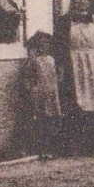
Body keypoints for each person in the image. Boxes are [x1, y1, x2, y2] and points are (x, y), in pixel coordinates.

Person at [61, 0, 94, 154]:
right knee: (75, 100)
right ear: (74, 0)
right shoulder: (66, 21)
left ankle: (92, 144)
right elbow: (60, 45)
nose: (82, 1)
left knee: (93, 100)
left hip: (92, 61)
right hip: (74, 61)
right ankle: (74, 144)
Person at [22, 31, 63, 159]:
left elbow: (57, 77)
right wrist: (32, 89)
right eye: (42, 44)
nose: (45, 46)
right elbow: (27, 78)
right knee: (39, 120)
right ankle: (39, 149)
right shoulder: (34, 61)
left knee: (51, 120)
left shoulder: (51, 60)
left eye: (47, 44)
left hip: (51, 94)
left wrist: (59, 75)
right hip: (39, 94)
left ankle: (49, 148)